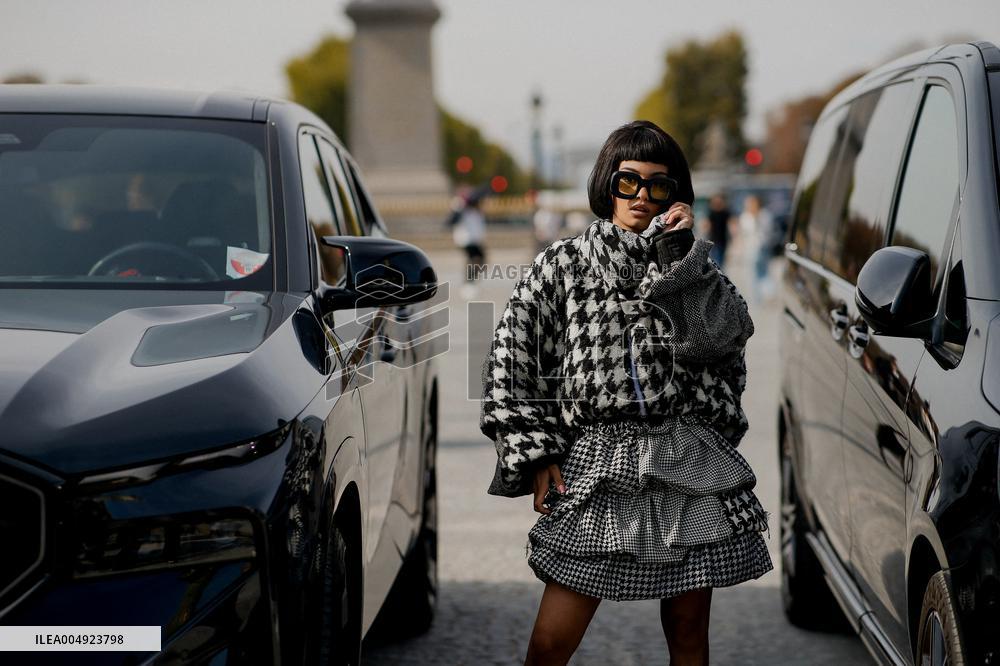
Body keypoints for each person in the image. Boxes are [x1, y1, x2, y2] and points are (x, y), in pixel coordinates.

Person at [480, 120, 771, 666]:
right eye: (628, 181)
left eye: (659, 186)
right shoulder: (562, 265)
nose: (642, 196)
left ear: (676, 194)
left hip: (686, 460)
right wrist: (537, 453)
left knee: (688, 636)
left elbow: (722, 341)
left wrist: (680, 260)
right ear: (606, 185)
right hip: (595, 460)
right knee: (550, 642)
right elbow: (513, 359)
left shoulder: (694, 268)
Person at [446, 188, 488, 298]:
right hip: (466, 240)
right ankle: (468, 284)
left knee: (480, 260)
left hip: (475, 240)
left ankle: (471, 282)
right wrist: (460, 206)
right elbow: (451, 221)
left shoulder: (475, 211)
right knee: (474, 260)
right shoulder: (462, 210)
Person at [738, 194, 776, 304]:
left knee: (762, 272)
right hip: (750, 248)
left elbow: (768, 232)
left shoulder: (764, 215)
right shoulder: (745, 217)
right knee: (753, 273)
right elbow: (743, 234)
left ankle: (766, 294)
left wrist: (756, 218)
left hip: (762, 247)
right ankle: (758, 297)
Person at [701, 192, 733, 268]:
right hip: (712, 240)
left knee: (720, 260)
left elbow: (731, 224)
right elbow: (706, 225)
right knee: (714, 260)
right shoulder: (711, 213)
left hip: (722, 240)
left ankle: (719, 275)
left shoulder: (725, 212)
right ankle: (717, 274)